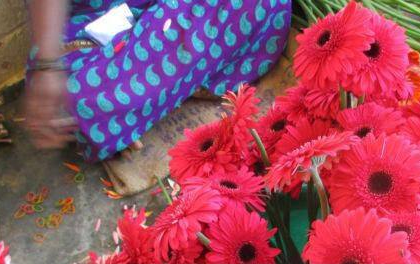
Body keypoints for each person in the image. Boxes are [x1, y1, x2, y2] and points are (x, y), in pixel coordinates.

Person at [25, 0, 291, 160]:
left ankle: (149, 92)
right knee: (75, 92)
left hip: (178, 11)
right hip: (96, 16)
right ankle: (184, 75)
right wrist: (48, 66)